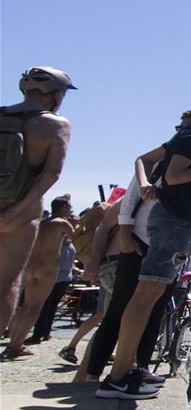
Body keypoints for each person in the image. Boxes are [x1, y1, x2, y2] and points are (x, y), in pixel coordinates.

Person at [96, 86, 191, 399]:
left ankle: (126, 370)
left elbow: (143, 159)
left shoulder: (189, 134)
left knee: (147, 297)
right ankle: (118, 377)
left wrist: (145, 182)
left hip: (171, 222)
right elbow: (173, 176)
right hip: (173, 223)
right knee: (145, 297)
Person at [81, 111, 191, 383]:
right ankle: (95, 373)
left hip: (170, 245)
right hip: (139, 243)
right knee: (117, 310)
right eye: (181, 129)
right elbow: (129, 203)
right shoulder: (158, 165)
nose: (184, 135)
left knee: (155, 310)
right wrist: (126, 237)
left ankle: (139, 368)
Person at [0, 67, 75, 336]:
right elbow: (51, 174)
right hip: (20, 215)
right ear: (56, 94)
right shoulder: (56, 125)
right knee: (7, 284)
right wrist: (14, 212)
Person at [3, 194, 76, 357]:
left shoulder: (41, 223)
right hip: (48, 267)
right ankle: (17, 345)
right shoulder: (62, 223)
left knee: (25, 306)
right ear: (64, 207)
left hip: (31, 266)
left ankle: (13, 342)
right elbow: (76, 238)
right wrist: (76, 224)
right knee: (35, 306)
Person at [59, 198, 122, 366]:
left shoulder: (112, 214)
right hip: (113, 266)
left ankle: (76, 348)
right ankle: (89, 356)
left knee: (102, 315)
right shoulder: (122, 211)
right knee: (107, 317)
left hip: (106, 266)